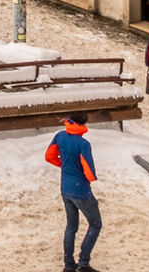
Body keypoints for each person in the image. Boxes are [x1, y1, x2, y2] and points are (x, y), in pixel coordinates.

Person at [45, 114, 100, 272]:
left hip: (65, 189)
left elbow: (49, 156)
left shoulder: (60, 136)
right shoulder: (83, 144)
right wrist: (91, 178)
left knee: (71, 227)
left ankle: (69, 264)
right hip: (81, 190)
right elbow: (89, 171)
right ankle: (83, 263)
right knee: (96, 224)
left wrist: (65, 165)